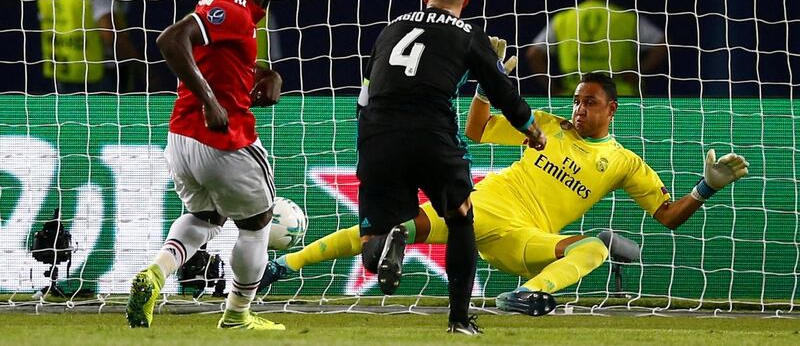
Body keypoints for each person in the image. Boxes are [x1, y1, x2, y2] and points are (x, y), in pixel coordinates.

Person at [261, 71, 749, 317]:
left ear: (612, 109)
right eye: (576, 100)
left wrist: (706, 187)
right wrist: (483, 85)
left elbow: (667, 215)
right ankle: (284, 267)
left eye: (590, 102)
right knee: (387, 228)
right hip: (487, 204)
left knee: (593, 245)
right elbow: (475, 130)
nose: (578, 109)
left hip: (527, 239)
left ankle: (529, 294)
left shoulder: (624, 163)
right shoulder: (547, 126)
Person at [347, 0, 545, 335]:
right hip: (431, 134)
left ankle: (389, 241)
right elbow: (502, 92)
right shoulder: (470, 35)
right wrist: (531, 129)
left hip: (378, 134)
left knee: (370, 244)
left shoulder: (392, 27)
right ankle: (458, 320)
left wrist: (371, 143)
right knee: (460, 217)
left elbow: (363, 95)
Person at [126, 0, 286, 330]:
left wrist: (263, 75)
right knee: (258, 222)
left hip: (183, 139)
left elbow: (217, 59)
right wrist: (211, 101)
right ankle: (237, 316)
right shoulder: (229, 8)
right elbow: (170, 40)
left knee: (205, 216)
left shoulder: (232, 7)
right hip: (223, 138)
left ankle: (155, 274)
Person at [526, 0, 667, 97]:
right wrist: (638, 71)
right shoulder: (626, 19)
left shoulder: (563, 19)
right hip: (619, 99)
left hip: (575, 98)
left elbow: (533, 54)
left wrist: (553, 90)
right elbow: (663, 44)